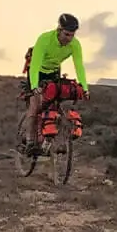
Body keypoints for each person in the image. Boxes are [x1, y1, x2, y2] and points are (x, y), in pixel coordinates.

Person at [19, 13, 88, 151]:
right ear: (59, 30)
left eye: (72, 35)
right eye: (66, 34)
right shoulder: (45, 39)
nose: (69, 39)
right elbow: (35, 65)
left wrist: (84, 88)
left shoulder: (75, 45)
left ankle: (50, 139)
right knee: (35, 104)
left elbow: (79, 66)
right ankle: (30, 140)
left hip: (54, 71)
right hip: (37, 71)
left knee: (55, 99)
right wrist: (34, 86)